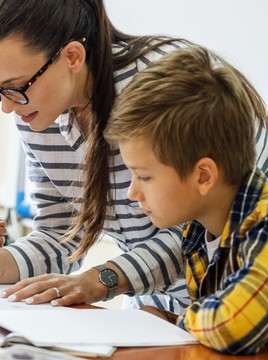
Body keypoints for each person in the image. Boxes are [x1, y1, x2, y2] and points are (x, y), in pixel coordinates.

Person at [0, 0, 268, 314]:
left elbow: (202, 227)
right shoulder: (37, 113)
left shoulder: (163, 94)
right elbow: (61, 234)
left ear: (72, 56)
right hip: (153, 316)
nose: (8, 109)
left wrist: (102, 278)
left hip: (231, 305)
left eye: (16, 88)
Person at [104, 46, 268, 355]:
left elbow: (233, 324)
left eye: (145, 176)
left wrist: (175, 322)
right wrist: (165, 320)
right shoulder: (198, 231)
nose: (132, 193)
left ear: (203, 176)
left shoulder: (263, 224)